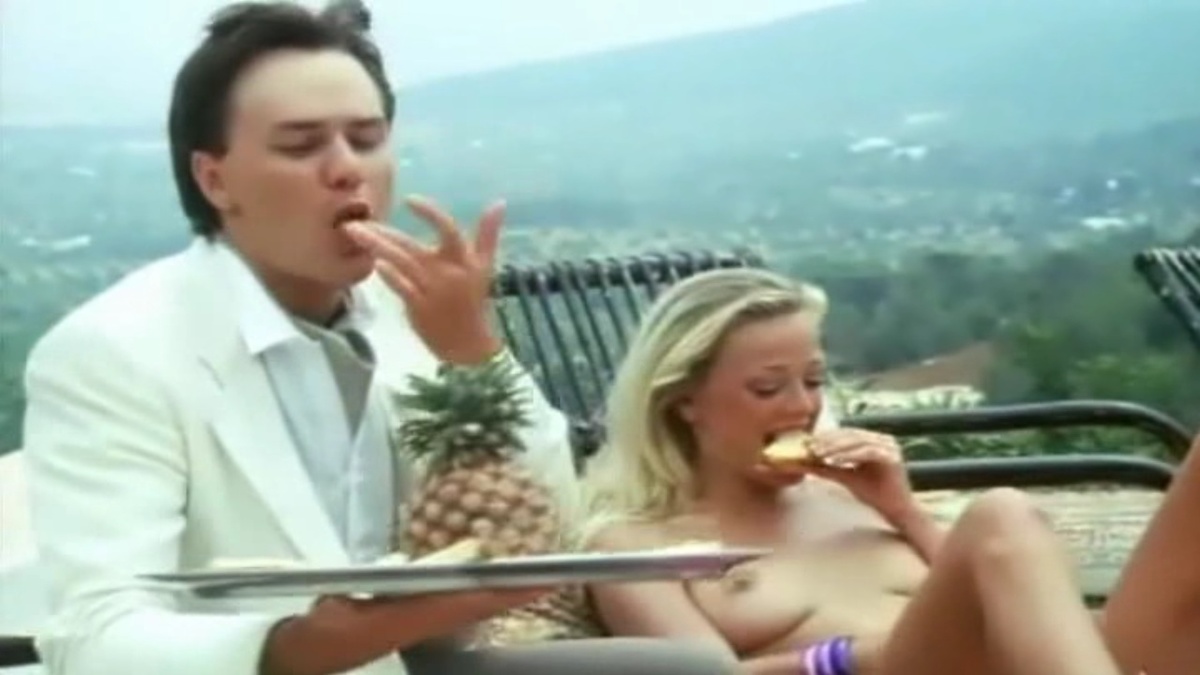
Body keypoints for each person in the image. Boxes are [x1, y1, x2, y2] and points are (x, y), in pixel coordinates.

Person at [20, 2, 736, 674]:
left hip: (418, 659)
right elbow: (96, 637)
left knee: (690, 668)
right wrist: (310, 639)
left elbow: (552, 512)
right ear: (215, 179)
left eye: (366, 139)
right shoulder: (115, 352)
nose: (346, 168)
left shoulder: (407, 308)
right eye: (301, 146)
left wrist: (474, 352)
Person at [579, 266, 1200, 675]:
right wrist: (854, 658)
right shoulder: (636, 548)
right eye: (767, 388)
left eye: (813, 381)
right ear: (683, 401)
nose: (801, 407)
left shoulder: (857, 502)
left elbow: (1019, 600)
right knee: (1002, 513)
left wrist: (902, 509)